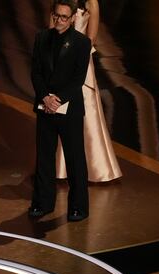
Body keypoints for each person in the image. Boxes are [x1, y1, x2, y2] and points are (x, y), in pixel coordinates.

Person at [29, 0, 92, 222]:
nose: (59, 20)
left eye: (64, 17)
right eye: (57, 15)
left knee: (75, 159)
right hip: (45, 106)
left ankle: (78, 207)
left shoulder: (82, 43)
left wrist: (58, 99)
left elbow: (78, 79)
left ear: (73, 17)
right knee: (44, 157)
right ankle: (42, 203)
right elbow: (35, 72)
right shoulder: (41, 38)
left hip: (69, 109)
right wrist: (45, 97)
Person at [54, 0, 123, 182]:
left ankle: (94, 168)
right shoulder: (59, 2)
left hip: (80, 60)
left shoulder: (92, 3)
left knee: (86, 110)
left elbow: (91, 38)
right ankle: (60, 167)